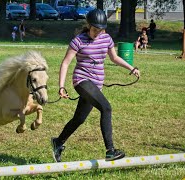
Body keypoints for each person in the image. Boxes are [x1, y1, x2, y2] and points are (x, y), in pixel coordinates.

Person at [51, 9, 140, 163]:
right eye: (94, 30)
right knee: (106, 108)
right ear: (88, 26)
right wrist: (61, 86)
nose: (96, 33)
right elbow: (65, 63)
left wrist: (131, 68)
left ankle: (58, 142)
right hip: (82, 81)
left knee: (79, 118)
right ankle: (110, 150)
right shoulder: (78, 40)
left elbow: (114, 58)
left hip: (96, 84)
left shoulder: (106, 39)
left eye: (99, 30)